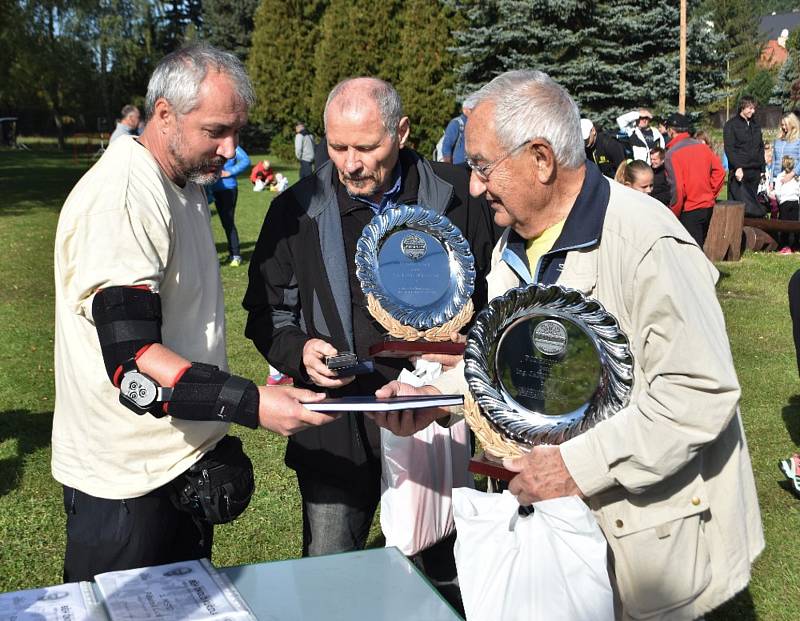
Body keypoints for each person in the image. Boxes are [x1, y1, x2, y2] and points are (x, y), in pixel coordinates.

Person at [372, 69, 764, 621]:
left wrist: (575, 467)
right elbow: (510, 368)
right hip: (563, 537)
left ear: (540, 159)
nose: (476, 186)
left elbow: (698, 393)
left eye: (483, 166)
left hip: (648, 547)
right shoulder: (511, 247)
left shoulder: (646, 241)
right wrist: (434, 397)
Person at [52, 44, 334, 582]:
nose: (231, 149)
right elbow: (133, 361)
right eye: (216, 131)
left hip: (178, 464)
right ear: (164, 114)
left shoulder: (179, 181)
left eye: (237, 131)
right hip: (126, 485)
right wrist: (253, 403)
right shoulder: (125, 198)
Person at [242, 76, 498, 602]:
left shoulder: (459, 198)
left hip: (438, 418)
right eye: (337, 147)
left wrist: (456, 349)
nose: (351, 163)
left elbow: (500, 303)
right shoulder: (296, 210)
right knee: (331, 583)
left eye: (366, 147)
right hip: (337, 426)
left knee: (444, 578)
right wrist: (299, 352)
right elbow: (268, 311)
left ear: (401, 132)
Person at [664, 112, 726, 247]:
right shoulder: (702, 147)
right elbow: (720, 172)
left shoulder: (672, 154)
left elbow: (678, 188)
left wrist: (674, 212)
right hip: (707, 206)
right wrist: (710, 193)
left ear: (671, 131)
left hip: (688, 209)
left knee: (692, 253)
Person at [724, 96, 766, 217]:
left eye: (754, 108)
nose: (752, 111)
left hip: (755, 171)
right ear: (742, 107)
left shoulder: (755, 125)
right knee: (738, 208)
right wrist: (737, 167)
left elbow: (760, 147)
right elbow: (730, 149)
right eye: (750, 108)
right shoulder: (731, 125)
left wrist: (762, 169)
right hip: (740, 172)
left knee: (753, 207)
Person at [211, 145, 250, 267]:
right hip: (213, 189)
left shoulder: (232, 145)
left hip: (228, 188)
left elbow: (246, 160)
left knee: (228, 222)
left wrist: (230, 172)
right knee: (223, 222)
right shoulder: (212, 143)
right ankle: (231, 253)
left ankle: (236, 255)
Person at [771, 155, 800, 253]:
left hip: (784, 203)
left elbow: (777, 191)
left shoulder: (780, 176)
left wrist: (779, 201)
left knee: (784, 225)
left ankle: (784, 244)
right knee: (795, 223)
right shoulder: (796, 177)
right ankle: (795, 244)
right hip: (795, 202)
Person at [440, 96, 476, 165]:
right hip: (457, 166)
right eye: (471, 110)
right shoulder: (456, 123)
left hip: (471, 166)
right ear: (464, 110)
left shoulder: (475, 123)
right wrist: (448, 166)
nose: (474, 112)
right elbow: (446, 146)